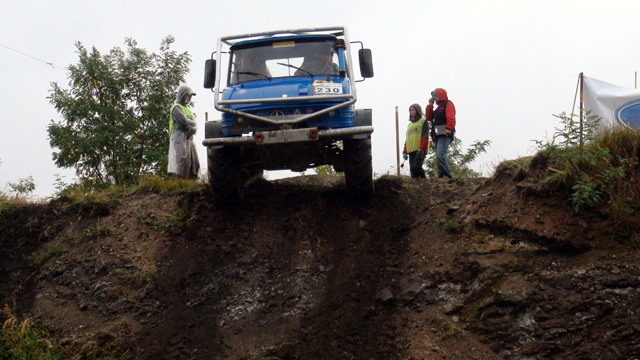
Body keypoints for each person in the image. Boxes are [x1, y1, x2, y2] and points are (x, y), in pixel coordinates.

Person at [167, 85, 200, 180]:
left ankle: (192, 182)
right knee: (182, 161)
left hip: (189, 138)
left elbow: (194, 124)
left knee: (194, 162)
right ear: (182, 95)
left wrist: (192, 126)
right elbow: (184, 122)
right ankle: (181, 183)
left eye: (190, 96)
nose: (189, 98)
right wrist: (191, 126)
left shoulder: (188, 110)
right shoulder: (176, 108)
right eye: (188, 96)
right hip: (179, 138)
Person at [425, 88, 456, 179]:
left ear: (439, 95)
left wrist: (449, 128)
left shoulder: (448, 104)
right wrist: (430, 105)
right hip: (438, 134)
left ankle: (447, 176)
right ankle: (441, 176)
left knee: (440, 155)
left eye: (434, 95)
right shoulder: (438, 107)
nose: (433, 97)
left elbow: (451, 117)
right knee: (438, 156)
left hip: (445, 133)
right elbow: (429, 117)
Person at [402, 103, 429, 178]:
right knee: (412, 170)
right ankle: (415, 185)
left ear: (417, 111)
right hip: (411, 150)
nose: (411, 112)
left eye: (413, 110)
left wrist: (422, 148)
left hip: (419, 149)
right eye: (410, 110)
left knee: (417, 167)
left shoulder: (423, 121)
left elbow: (425, 135)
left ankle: (425, 182)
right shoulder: (410, 125)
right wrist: (405, 151)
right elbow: (408, 139)